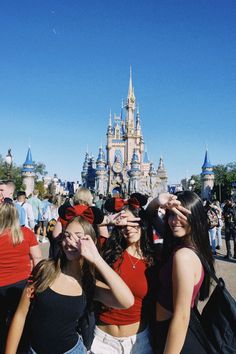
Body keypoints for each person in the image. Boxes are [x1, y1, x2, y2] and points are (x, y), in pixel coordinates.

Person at [5, 205, 134, 354]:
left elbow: (127, 301)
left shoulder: (89, 284)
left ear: (91, 242)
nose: (70, 241)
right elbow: (21, 315)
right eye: (67, 235)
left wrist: (97, 258)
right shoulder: (44, 270)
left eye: (79, 237)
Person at [149, 191, 214, 354]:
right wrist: (159, 201)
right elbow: (149, 215)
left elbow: (182, 316)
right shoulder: (183, 243)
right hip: (170, 330)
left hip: (173, 336)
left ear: (195, 217)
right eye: (171, 214)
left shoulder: (183, 256)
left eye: (181, 215)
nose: (174, 221)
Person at [91, 193, 155, 354]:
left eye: (133, 223)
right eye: (123, 224)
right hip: (102, 342)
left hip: (138, 342)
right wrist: (110, 220)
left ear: (141, 223)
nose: (128, 228)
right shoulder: (108, 251)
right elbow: (83, 219)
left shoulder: (154, 260)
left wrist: (156, 203)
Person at [0, 198, 42, 353]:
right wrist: (36, 279)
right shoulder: (26, 233)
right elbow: (37, 258)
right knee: (20, 319)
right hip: (22, 284)